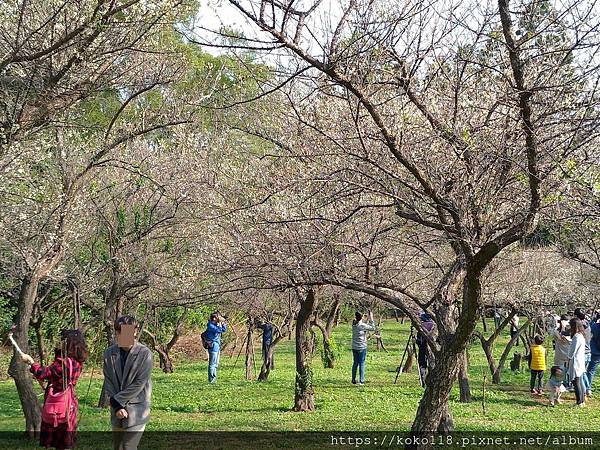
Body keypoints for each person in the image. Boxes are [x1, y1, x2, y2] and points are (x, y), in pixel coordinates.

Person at [20, 329, 88, 450]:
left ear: (69, 343)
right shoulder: (76, 362)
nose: (60, 342)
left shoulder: (62, 363)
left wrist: (30, 362)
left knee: (58, 438)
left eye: (62, 340)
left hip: (57, 403)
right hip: (70, 402)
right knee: (67, 437)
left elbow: (42, 373)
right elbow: (54, 376)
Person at [103, 315, 153, 450]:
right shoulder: (109, 353)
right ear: (116, 332)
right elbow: (108, 381)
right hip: (116, 410)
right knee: (118, 446)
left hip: (137, 408)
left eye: (128, 331)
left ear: (135, 331)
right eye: (120, 331)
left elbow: (139, 383)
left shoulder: (144, 353)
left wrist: (117, 401)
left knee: (128, 446)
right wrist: (117, 407)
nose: (123, 335)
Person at [351, 310, 376, 385]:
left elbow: (362, 323)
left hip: (354, 347)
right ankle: (361, 381)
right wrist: (371, 318)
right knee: (362, 363)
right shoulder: (362, 325)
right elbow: (373, 328)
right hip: (361, 347)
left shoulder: (354, 324)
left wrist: (366, 318)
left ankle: (353, 379)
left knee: (355, 363)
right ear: (361, 317)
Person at [569, 318, 587, 407]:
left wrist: (568, 357)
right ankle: (582, 400)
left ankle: (579, 401)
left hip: (576, 361)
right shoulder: (581, 335)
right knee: (579, 380)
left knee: (576, 382)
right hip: (580, 360)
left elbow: (572, 351)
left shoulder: (576, 337)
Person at [205, 311, 227, 383]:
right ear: (214, 318)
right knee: (212, 364)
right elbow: (219, 330)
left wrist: (223, 323)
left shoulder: (215, 324)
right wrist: (220, 323)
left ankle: (214, 379)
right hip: (213, 347)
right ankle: (211, 380)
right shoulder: (210, 325)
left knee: (216, 364)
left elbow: (224, 330)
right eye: (218, 317)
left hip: (217, 346)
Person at [574, 308, 592, 396]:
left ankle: (583, 392)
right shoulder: (588, 324)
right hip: (588, 352)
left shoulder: (580, 326)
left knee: (580, 374)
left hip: (583, 353)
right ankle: (587, 389)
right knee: (583, 372)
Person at [416, 312, 435, 387]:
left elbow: (419, 341)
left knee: (422, 363)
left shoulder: (421, 326)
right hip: (433, 349)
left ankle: (423, 380)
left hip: (422, 348)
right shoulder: (435, 325)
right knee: (432, 364)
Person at [553, 315, 572, 387]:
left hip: (566, 353)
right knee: (560, 369)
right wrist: (563, 327)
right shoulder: (557, 330)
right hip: (561, 353)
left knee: (567, 369)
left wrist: (563, 327)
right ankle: (560, 383)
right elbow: (561, 337)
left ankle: (567, 383)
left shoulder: (571, 332)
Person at [586, 314, 600, 395]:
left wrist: (594, 318)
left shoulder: (595, 326)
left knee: (591, 371)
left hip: (595, 351)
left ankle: (588, 388)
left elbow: (589, 326)